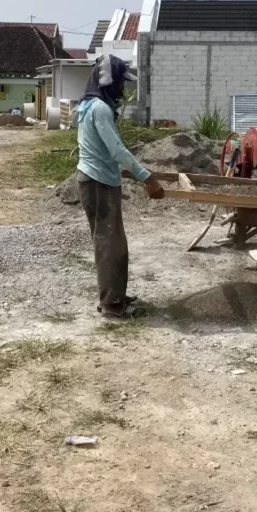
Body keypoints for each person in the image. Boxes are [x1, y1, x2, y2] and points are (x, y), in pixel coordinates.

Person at [77, 54, 164, 320]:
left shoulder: (89, 105)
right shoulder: (100, 109)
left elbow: (103, 149)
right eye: (121, 83)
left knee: (113, 243)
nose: (123, 90)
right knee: (109, 245)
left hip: (97, 179)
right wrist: (146, 177)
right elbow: (117, 150)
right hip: (98, 184)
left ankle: (113, 294)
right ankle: (112, 305)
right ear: (109, 81)